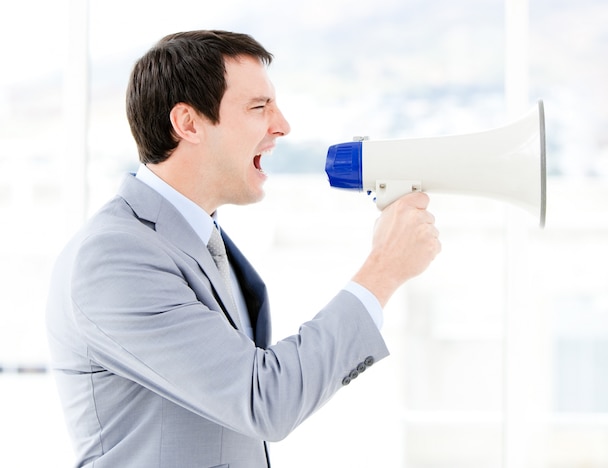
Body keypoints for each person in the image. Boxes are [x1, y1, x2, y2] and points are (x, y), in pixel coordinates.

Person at [46, 30, 440, 468]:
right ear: (188, 123)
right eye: (259, 107)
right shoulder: (114, 258)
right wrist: (383, 269)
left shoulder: (193, 239)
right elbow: (264, 399)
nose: (283, 125)